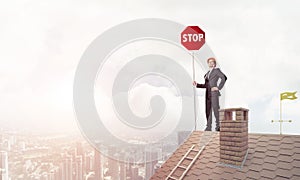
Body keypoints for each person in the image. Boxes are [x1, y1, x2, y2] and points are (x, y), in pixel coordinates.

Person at [193, 57, 227, 131]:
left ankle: (218, 126)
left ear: (214, 64)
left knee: (215, 110)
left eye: (212, 62)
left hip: (214, 94)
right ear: (208, 64)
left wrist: (218, 87)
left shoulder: (216, 71)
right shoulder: (207, 74)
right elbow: (206, 85)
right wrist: (197, 84)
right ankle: (208, 127)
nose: (211, 63)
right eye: (209, 62)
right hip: (207, 94)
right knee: (208, 110)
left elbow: (224, 77)